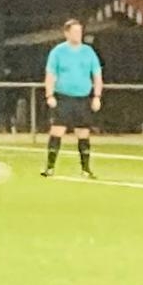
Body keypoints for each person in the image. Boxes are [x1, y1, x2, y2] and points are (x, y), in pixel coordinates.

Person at [42, 19, 103, 178]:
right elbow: (50, 74)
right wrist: (49, 95)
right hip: (63, 97)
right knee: (57, 130)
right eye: (75, 32)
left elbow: (97, 75)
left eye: (80, 31)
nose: (78, 35)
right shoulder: (58, 52)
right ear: (67, 33)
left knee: (83, 132)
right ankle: (50, 168)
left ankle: (86, 169)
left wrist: (97, 96)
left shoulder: (88, 52)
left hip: (82, 98)